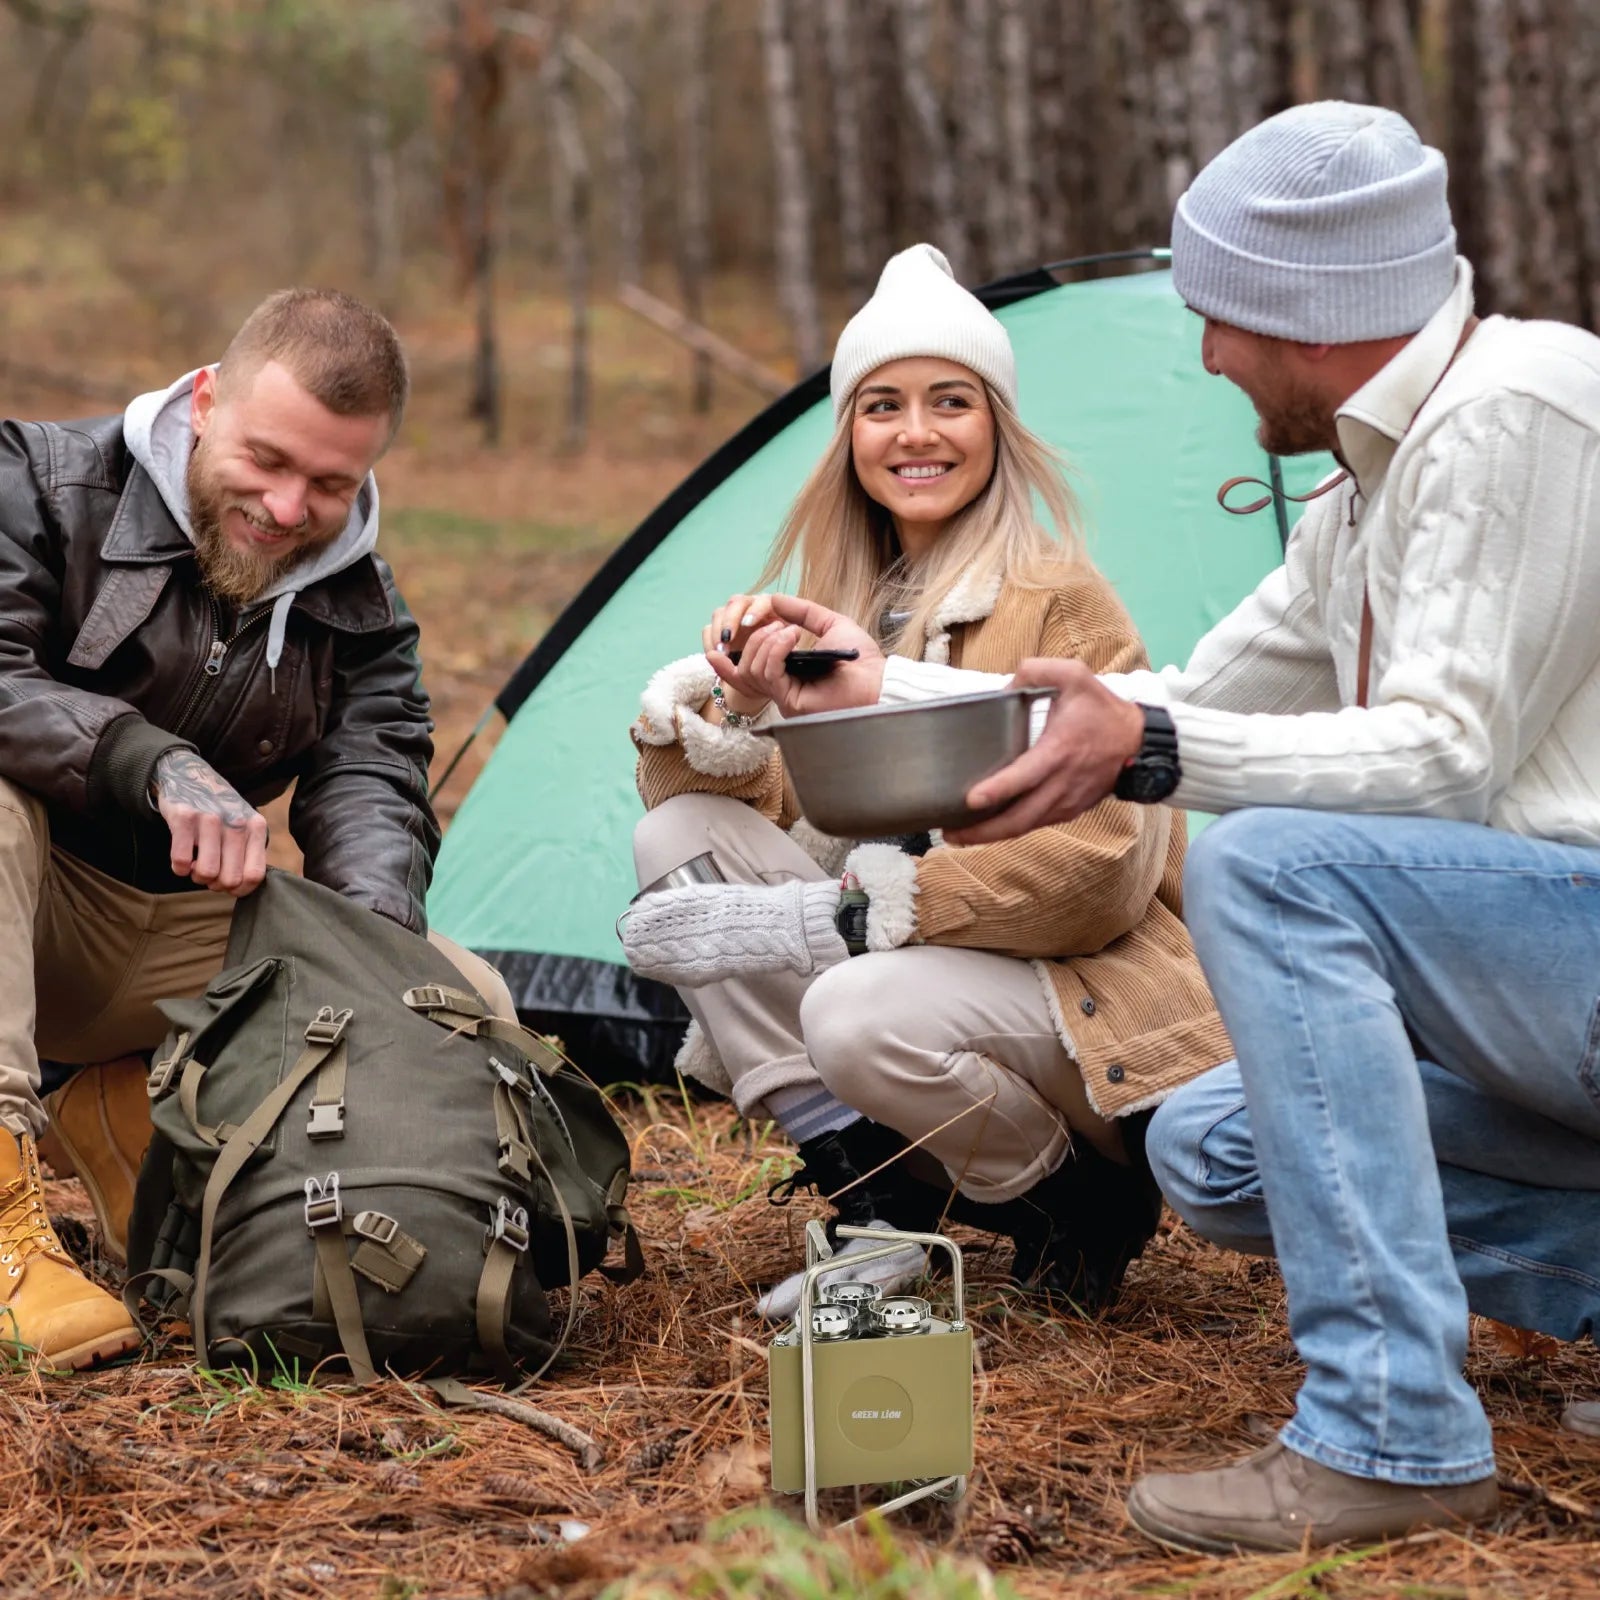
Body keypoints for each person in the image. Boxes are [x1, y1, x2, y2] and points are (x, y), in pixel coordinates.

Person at [727, 104, 1600, 1550]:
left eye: (1220, 321)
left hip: (1569, 942)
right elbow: (1176, 698)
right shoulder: (1365, 496)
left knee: (1267, 861)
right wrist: (883, 682)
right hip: (1523, 979)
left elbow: (1448, 757)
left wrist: (1153, 745)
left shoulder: (1522, 407)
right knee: (1209, 1143)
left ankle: (1390, 1433)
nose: (1205, 356)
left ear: (1303, 313)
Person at [621, 244, 1229, 1320]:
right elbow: (815, 826)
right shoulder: (839, 599)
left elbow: (1104, 868)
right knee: (677, 847)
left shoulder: (1058, 598)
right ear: (847, 434)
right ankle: (877, 1204)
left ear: (995, 425)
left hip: (1070, 994)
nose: (914, 433)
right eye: (881, 405)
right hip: (916, 978)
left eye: (951, 401)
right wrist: (721, 720)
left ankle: (1074, 1202)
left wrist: (871, 914)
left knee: (854, 1005)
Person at [0, 287, 514, 1369]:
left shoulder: (362, 609)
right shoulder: (38, 483)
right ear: (205, 399)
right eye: (267, 461)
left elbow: (374, 785)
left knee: (461, 994)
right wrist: (149, 758)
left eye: (331, 483)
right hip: (32, 916)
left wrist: (371, 957)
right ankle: (4, 1228)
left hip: (178, 954)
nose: (287, 509)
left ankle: (146, 1118)